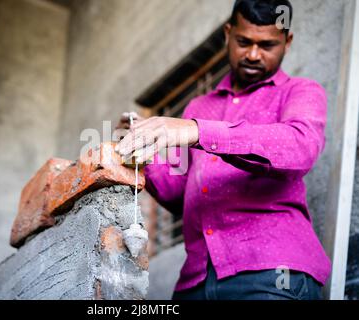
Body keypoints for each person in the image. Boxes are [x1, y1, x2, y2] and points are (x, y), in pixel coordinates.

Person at [116, 0, 331, 300]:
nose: (254, 55)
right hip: (195, 281)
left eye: (267, 45)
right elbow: (178, 195)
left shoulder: (300, 91)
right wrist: (141, 151)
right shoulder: (198, 107)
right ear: (228, 34)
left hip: (272, 274)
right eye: (244, 42)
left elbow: (299, 147)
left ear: (288, 41)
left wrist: (197, 130)